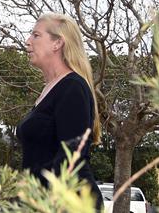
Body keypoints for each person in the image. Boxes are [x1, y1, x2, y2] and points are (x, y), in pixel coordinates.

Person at [16, 13, 103, 210]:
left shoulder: (72, 87)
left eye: (36, 35)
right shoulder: (49, 90)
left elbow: (70, 161)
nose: (27, 42)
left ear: (57, 43)